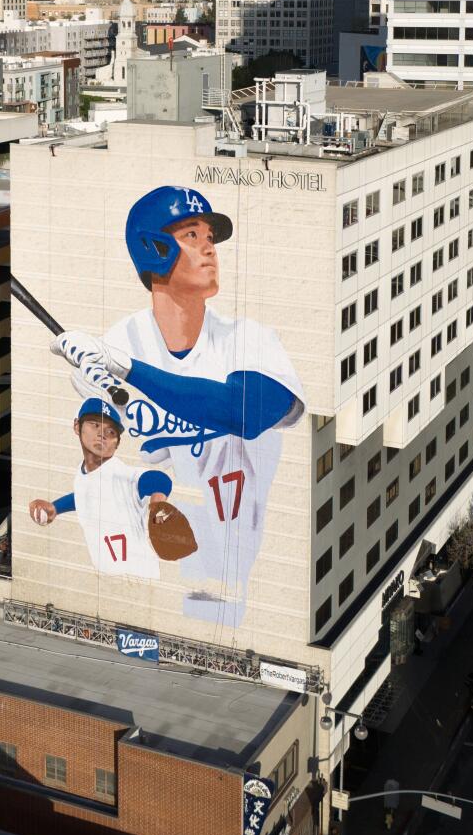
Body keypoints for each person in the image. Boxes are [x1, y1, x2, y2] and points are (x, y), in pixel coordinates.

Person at [52, 185, 305, 626]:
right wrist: (94, 384)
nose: (210, 248)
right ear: (154, 249)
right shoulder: (112, 347)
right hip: (145, 579)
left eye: (210, 236)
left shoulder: (249, 339)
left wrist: (128, 370)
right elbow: (109, 455)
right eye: (192, 235)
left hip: (237, 570)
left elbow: (244, 414)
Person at [28, 393, 173, 579]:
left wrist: (157, 508)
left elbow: (159, 480)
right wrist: (56, 507)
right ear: (77, 427)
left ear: (117, 444)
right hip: (107, 576)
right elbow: (83, 495)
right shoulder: (83, 473)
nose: (102, 434)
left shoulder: (118, 473)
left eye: (111, 432)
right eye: (95, 424)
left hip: (136, 576)